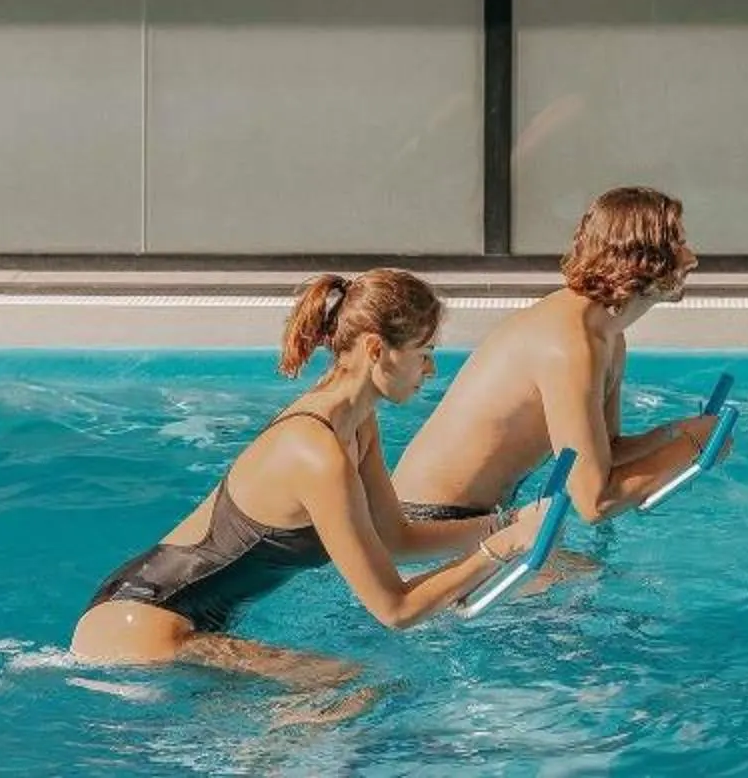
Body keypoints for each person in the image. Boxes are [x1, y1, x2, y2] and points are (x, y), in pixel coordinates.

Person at [71, 268, 543, 690]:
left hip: (177, 620)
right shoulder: (317, 454)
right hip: (139, 624)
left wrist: (508, 524)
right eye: (425, 352)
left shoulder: (357, 424)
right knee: (342, 687)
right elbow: (394, 609)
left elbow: (394, 538)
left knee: (325, 700)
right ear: (377, 350)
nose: (431, 369)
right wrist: (499, 551)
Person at [392, 186, 724, 521]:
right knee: (581, 573)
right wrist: (695, 447)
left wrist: (673, 434)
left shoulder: (608, 336)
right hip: (427, 519)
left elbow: (606, 450)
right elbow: (594, 501)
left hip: (472, 515)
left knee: (577, 568)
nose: (691, 258)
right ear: (645, 258)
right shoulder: (570, 346)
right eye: (679, 244)